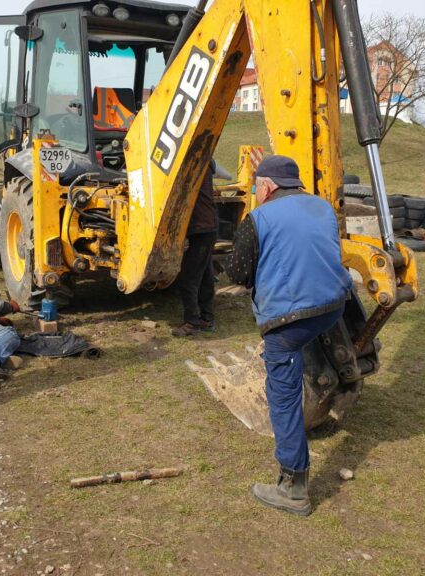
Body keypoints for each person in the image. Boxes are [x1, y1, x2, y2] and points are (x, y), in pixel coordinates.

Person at [227, 155, 352, 516]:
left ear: (265, 187)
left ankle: (293, 487)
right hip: (333, 305)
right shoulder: (323, 207)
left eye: (256, 187)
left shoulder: (259, 218)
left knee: (281, 393)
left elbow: (236, 273)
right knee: (309, 335)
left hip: (291, 318)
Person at [171, 161, 217, 337]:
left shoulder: (194, 165)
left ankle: (192, 322)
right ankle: (206, 318)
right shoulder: (205, 164)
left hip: (201, 227)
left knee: (188, 277)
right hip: (207, 226)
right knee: (205, 276)